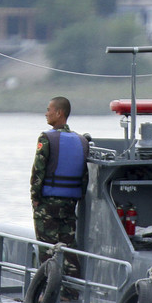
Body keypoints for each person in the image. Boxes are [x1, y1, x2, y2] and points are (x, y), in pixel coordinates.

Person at [30, 96, 90, 291]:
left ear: (59, 113)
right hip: (70, 203)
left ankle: (48, 292)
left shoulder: (46, 138)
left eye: (49, 109)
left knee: (47, 250)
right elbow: (84, 176)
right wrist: (76, 198)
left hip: (47, 204)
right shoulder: (82, 141)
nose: (46, 113)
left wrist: (35, 199)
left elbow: (38, 172)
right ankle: (71, 291)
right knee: (68, 248)